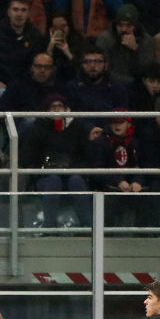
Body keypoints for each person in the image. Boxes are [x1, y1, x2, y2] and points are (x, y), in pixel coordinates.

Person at [19, 93, 95, 228]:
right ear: (46, 110)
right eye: (52, 106)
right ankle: (49, 227)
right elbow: (26, 158)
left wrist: (72, 167)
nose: (56, 109)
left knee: (76, 180)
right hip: (45, 176)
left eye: (60, 106)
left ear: (66, 109)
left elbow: (86, 156)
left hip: (72, 173)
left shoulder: (78, 127)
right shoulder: (36, 129)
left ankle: (88, 227)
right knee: (54, 181)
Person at [95, 3, 156, 83]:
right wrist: (128, 82)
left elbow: (149, 70)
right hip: (112, 85)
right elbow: (103, 70)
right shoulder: (105, 40)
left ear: (136, 25)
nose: (124, 29)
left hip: (140, 86)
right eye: (120, 25)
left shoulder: (147, 40)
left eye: (128, 25)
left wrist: (136, 49)